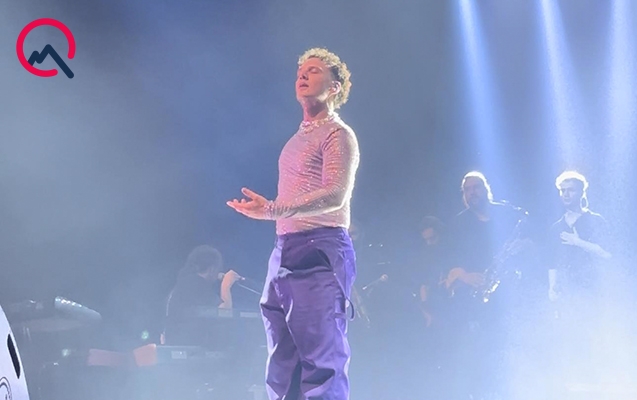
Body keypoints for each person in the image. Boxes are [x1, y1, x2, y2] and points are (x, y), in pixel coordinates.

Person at [227, 47, 359, 400]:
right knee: (283, 364)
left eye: (314, 70)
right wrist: (273, 214)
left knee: (321, 361)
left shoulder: (337, 134)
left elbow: (335, 194)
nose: (303, 74)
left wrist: (273, 209)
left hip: (319, 250)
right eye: (301, 70)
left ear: (334, 87)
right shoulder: (295, 140)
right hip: (284, 251)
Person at [163, 245, 242, 346]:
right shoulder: (196, 284)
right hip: (190, 346)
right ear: (212, 269)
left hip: (179, 344)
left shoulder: (185, 283)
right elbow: (224, 313)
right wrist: (226, 285)